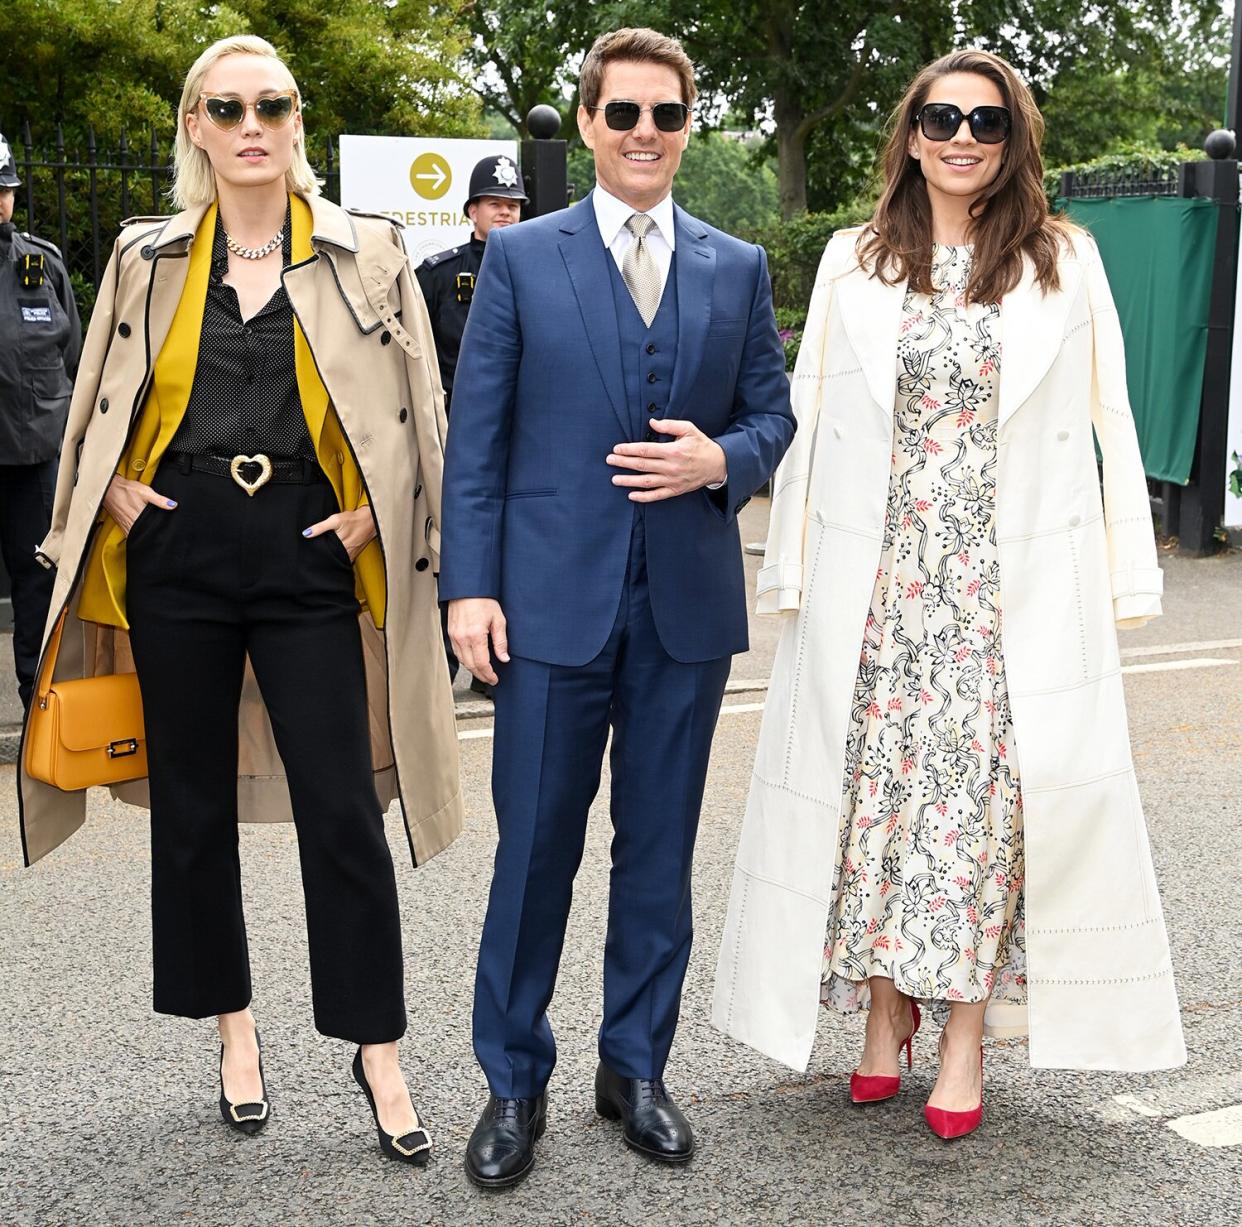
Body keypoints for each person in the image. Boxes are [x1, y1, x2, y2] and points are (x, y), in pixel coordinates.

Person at [712, 48, 1186, 1141]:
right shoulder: (854, 259)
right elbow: (815, 414)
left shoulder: (1065, 259)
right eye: (941, 118)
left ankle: (964, 1030)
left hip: (1005, 588)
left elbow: (1113, 420)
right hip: (877, 588)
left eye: (986, 120)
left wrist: (1123, 577)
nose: (963, 137)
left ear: (1014, 137)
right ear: (911, 133)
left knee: (983, 815)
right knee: (872, 806)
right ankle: (885, 1012)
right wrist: (787, 569)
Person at [17, 35, 462, 1164]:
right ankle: (235, 1033)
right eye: (228, 106)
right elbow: (95, 400)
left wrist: (386, 516)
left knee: (343, 812)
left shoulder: (367, 253)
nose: (252, 123)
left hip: (313, 551)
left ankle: (379, 1050)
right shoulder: (149, 256)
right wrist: (104, 491)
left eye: (273, 104)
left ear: (296, 122)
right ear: (196, 126)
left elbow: (422, 411)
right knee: (194, 813)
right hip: (178, 550)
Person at [441, 26, 794, 1188]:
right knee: (535, 850)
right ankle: (512, 1080)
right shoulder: (524, 262)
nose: (647, 132)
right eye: (626, 112)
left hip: (684, 611)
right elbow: (476, 440)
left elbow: (773, 417)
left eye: (669, 114)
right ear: (589, 124)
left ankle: (634, 1067)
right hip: (545, 610)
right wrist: (470, 589)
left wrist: (723, 463)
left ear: (689, 129)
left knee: (659, 852)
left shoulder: (735, 265)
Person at [417, 155, 527, 696]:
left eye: (513, 204)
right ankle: (438, 664)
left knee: (510, 545)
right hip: (449, 426)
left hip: (518, 432)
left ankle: (495, 666)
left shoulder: (539, 266)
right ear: (472, 211)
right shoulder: (439, 273)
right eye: (495, 204)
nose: (505, 212)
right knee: (445, 542)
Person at [0, 130, 81, 709]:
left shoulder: (40, 264)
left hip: (33, 463)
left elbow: (73, 359)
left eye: (3, 188)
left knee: (38, 585)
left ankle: (39, 706)